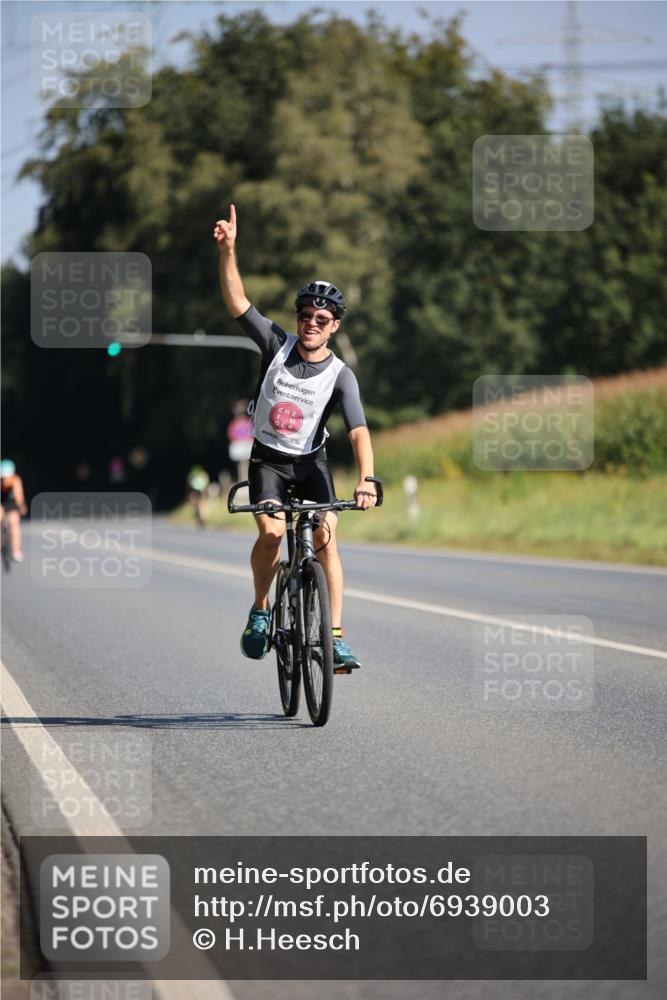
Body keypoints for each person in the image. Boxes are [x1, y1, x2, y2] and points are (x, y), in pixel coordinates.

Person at [213, 204, 377, 671]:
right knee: (271, 533)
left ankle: (336, 636)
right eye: (306, 315)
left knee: (326, 535)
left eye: (322, 319)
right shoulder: (275, 345)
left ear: (335, 326)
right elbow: (237, 302)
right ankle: (262, 609)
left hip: (310, 463)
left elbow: (359, 430)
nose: (311, 323)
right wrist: (229, 252)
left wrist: (367, 478)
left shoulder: (342, 376)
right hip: (268, 461)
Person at [0, 460, 28, 562]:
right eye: (3, 477)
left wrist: (21, 507)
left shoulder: (16, 480)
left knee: (14, 522)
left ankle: (15, 549)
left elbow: (19, 497)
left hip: (11, 503)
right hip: (1, 502)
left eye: (7, 477)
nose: (5, 481)